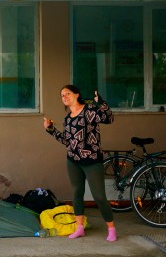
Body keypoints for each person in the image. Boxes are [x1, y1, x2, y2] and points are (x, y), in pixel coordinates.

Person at [43, 84, 117, 242]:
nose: (64, 97)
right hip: (73, 161)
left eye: (67, 93)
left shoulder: (89, 111)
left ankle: (111, 229)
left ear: (76, 94)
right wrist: (51, 129)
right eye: (62, 95)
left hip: (92, 161)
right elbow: (67, 141)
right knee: (77, 194)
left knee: (99, 197)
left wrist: (101, 103)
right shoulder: (67, 119)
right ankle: (80, 228)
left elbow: (109, 118)